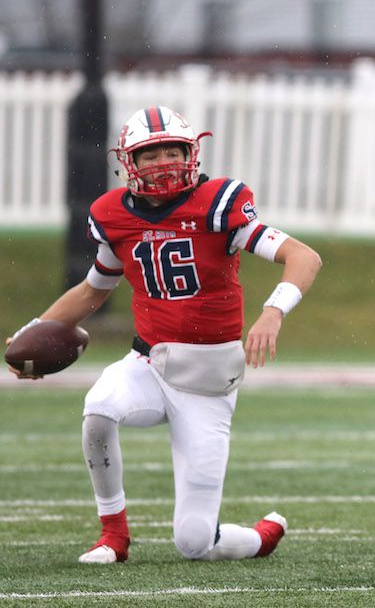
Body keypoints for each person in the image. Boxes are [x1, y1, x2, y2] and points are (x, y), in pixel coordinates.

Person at [6, 106, 323, 564]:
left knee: (196, 544)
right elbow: (93, 291)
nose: (163, 163)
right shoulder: (113, 214)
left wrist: (273, 311)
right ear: (129, 162)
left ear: (191, 154)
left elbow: (304, 257)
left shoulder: (219, 204)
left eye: (172, 152)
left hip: (209, 382)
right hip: (149, 363)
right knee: (98, 409)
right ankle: (113, 535)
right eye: (151, 155)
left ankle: (261, 538)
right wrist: (33, 334)